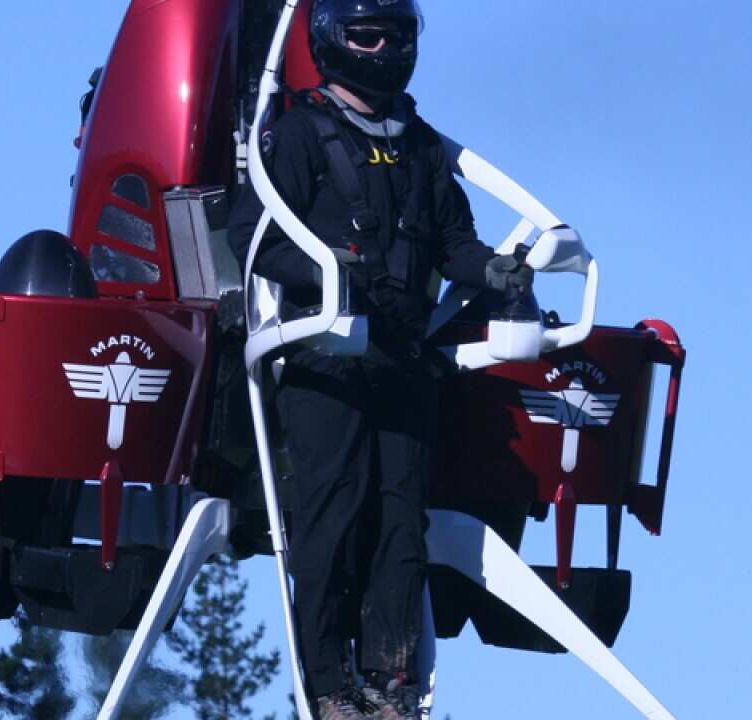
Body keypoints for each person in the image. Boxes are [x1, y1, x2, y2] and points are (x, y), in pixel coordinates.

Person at [228, 1, 534, 718]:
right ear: (333, 40)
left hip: (403, 363)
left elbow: (454, 239)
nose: (387, 48)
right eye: (370, 34)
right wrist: (325, 267)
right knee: (333, 518)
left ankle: (391, 683)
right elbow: (253, 236)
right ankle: (329, 686)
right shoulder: (297, 135)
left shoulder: (421, 146)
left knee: (402, 526)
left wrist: (492, 269)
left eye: (399, 34)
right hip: (325, 363)